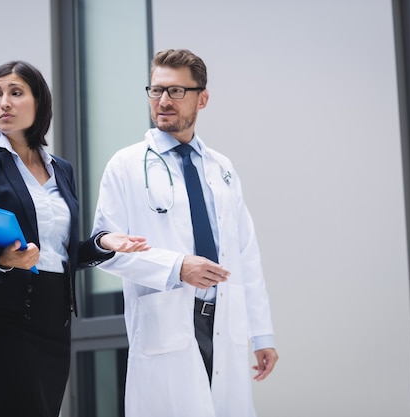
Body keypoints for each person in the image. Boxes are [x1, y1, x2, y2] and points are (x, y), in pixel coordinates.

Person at [0, 60, 149, 417]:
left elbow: (58, 253)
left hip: (53, 318)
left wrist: (101, 244)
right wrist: (3, 259)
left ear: (39, 103)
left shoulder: (61, 169)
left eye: (15, 93)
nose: (3, 102)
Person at [92, 48, 278, 417]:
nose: (163, 101)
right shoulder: (126, 165)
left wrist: (262, 334)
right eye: (156, 90)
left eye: (176, 91)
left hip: (223, 317)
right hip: (168, 318)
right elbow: (107, 249)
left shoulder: (221, 168)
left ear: (202, 98)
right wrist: (177, 266)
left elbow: (245, 254)